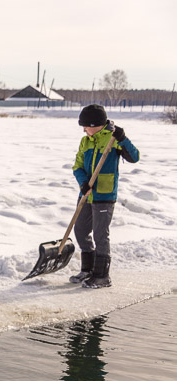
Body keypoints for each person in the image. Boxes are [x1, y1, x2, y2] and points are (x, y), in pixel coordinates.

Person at [70, 104, 140, 288]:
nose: (84, 129)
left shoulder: (113, 138)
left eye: (86, 125)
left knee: (100, 235)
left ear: (96, 124)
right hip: (86, 194)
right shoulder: (85, 141)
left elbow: (134, 157)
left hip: (104, 195)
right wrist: (83, 182)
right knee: (81, 230)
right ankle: (88, 269)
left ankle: (102, 276)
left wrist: (123, 139)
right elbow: (77, 166)